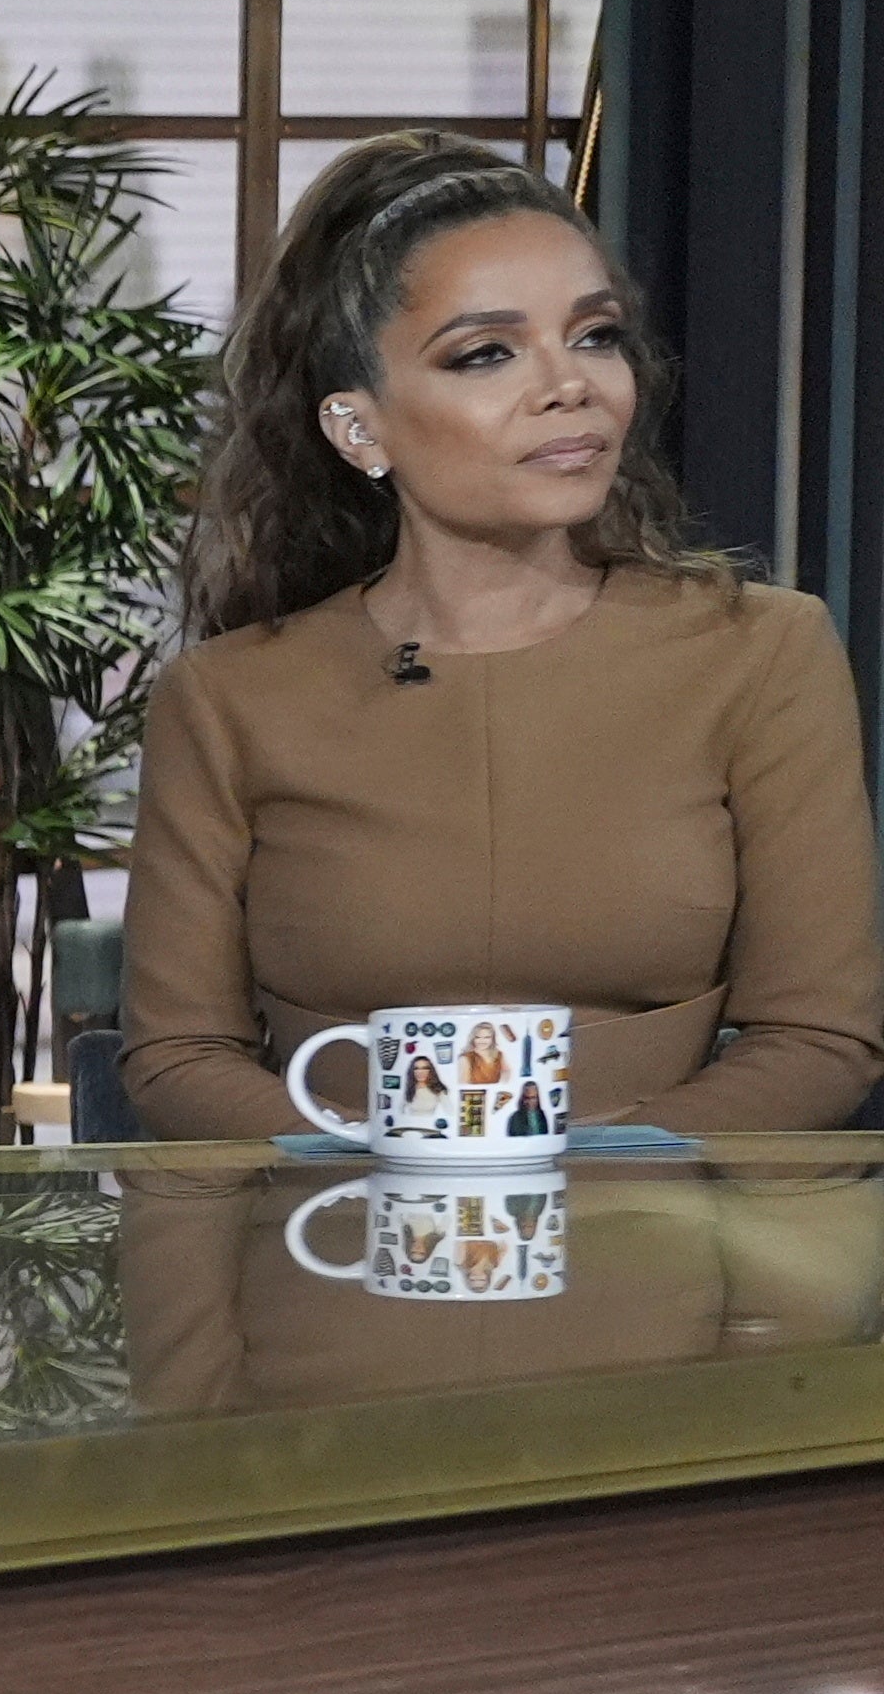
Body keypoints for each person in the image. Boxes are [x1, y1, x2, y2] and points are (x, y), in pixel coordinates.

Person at [120, 130, 884, 1138]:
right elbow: (178, 1057)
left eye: (596, 335)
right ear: (360, 427)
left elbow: (821, 1036)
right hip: (334, 1249)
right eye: (487, 353)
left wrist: (602, 1183)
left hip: (669, 1255)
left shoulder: (762, 653)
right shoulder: (225, 699)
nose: (570, 385)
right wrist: (381, 1184)